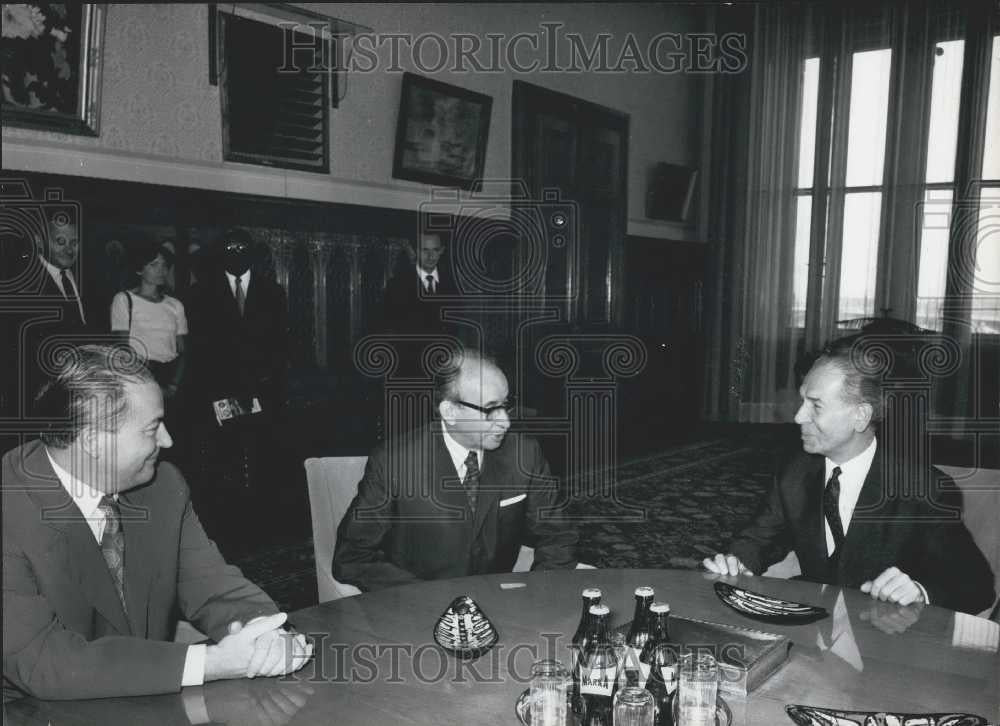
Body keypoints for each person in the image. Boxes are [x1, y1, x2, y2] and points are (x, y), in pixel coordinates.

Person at [2, 346, 311, 701]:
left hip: (145, 699)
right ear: (92, 442)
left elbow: (212, 584)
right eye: (152, 428)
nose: (167, 440)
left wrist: (265, 632)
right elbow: (41, 661)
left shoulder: (163, 486)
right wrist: (210, 663)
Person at [703, 334, 995, 614]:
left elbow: (977, 585)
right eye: (802, 400)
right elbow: (758, 539)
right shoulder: (796, 472)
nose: (798, 417)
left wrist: (920, 591)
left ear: (860, 416)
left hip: (886, 641)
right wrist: (736, 562)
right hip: (810, 629)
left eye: (815, 406)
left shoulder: (921, 488)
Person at [333, 348, 578, 591]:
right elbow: (353, 558)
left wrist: (533, 594)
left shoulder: (524, 453)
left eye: (506, 405)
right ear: (450, 411)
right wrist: (428, 598)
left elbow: (558, 536)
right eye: (490, 409)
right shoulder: (394, 462)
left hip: (500, 603)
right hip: (419, 607)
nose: (505, 421)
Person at [186, 227, 290, 554]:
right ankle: (232, 528)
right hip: (221, 393)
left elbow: (281, 347)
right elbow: (202, 349)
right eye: (229, 248)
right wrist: (220, 393)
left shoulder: (273, 292)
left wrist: (264, 385)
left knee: (262, 458)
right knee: (226, 459)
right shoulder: (203, 293)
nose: (236, 253)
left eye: (241, 247)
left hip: (262, 393)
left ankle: (262, 524)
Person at [110, 240, 187, 403]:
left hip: (170, 376)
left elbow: (182, 350)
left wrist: (173, 384)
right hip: (139, 374)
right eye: (154, 264)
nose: (161, 270)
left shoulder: (175, 304)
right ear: (139, 269)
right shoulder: (123, 300)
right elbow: (122, 347)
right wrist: (148, 382)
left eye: (164, 265)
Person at [381, 231, 457, 336]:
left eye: (435, 250)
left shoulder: (451, 285)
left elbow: (455, 327)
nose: (430, 256)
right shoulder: (397, 285)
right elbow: (390, 328)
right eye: (425, 250)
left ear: (441, 251)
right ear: (416, 251)